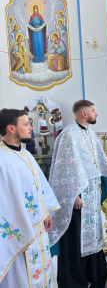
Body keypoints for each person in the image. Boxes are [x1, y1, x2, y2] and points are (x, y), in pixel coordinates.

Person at [49, 100, 107, 288]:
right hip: (77, 197)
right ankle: (74, 280)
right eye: (94, 111)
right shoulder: (68, 135)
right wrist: (74, 195)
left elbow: (98, 163)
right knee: (75, 238)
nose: (96, 113)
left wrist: (100, 182)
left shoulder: (91, 134)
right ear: (84, 113)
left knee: (93, 235)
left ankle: (93, 273)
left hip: (92, 193)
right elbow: (64, 171)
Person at [0, 109, 60, 288]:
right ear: (11, 128)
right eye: (26, 124)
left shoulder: (25, 154)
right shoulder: (2, 161)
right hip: (20, 232)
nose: (31, 127)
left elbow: (37, 186)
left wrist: (45, 213)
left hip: (38, 228)